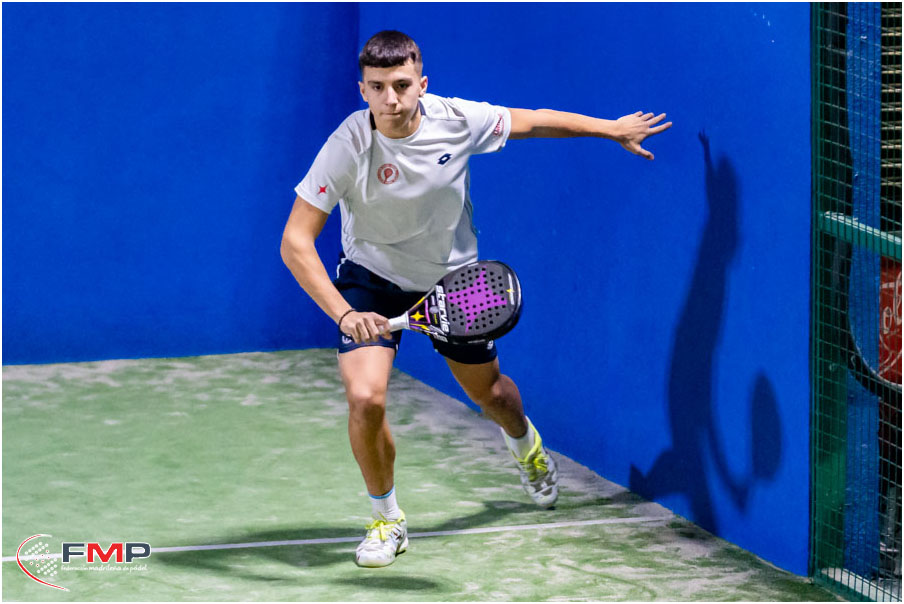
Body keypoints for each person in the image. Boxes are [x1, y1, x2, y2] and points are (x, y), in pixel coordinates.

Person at [281, 30, 672, 568]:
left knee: (492, 396)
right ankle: (386, 520)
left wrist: (610, 129)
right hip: (370, 279)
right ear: (362, 89)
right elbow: (295, 241)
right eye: (377, 87)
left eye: (401, 85)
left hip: (453, 284)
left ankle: (525, 444)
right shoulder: (347, 145)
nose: (391, 99)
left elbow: (533, 121)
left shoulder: (456, 119)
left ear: (422, 84)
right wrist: (346, 314)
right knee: (366, 399)